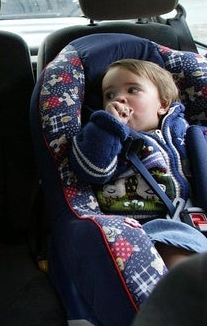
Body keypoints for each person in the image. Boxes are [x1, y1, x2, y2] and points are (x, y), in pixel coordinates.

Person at [69, 58, 207, 270]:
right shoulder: (110, 137)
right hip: (146, 227)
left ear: (163, 104)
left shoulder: (188, 134)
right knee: (177, 252)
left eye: (132, 90)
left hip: (196, 220)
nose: (120, 99)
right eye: (110, 95)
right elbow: (92, 169)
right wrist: (109, 125)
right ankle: (187, 291)